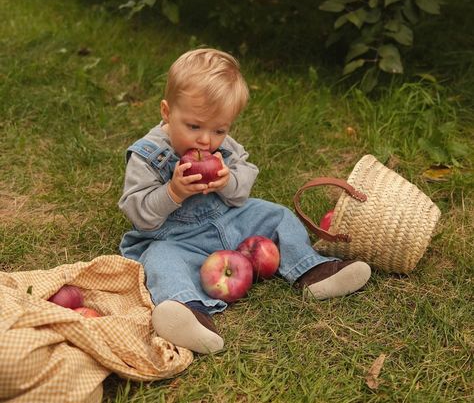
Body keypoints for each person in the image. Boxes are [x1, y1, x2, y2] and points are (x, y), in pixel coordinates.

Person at [118, 48, 371, 354]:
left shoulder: (222, 147)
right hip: (177, 238)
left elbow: (243, 187)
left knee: (276, 215)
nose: (206, 141)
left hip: (230, 220)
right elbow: (138, 213)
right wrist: (173, 192)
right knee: (160, 260)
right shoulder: (147, 155)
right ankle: (188, 311)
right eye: (194, 126)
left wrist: (229, 181)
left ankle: (312, 271)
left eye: (219, 130)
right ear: (166, 112)